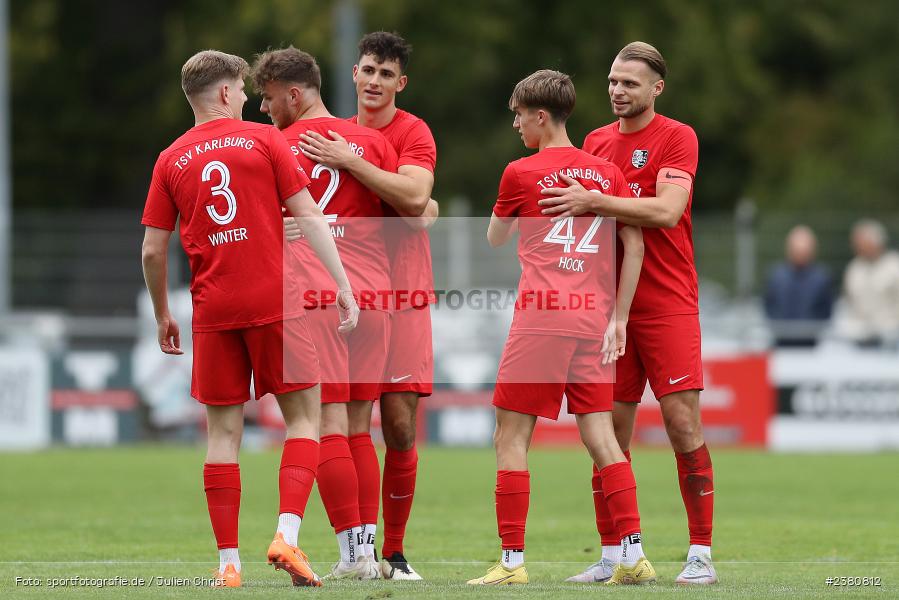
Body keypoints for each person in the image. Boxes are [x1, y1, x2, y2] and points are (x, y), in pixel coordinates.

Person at [141, 50, 358, 588]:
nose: (244, 98)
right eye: (240, 88)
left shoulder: (170, 158)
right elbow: (307, 216)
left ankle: (228, 566)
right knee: (305, 419)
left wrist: (163, 314)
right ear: (221, 94)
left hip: (213, 308)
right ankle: (287, 533)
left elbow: (151, 250)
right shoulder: (265, 142)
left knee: (222, 435)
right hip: (274, 301)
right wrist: (344, 286)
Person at [538, 42, 718, 584]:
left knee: (682, 424)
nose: (618, 91)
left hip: (667, 304)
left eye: (630, 83)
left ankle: (701, 554)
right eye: (613, 81)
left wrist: (596, 202)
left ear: (656, 88)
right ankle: (614, 554)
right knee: (608, 433)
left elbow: (667, 211)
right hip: (605, 309)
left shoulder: (676, 137)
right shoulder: (594, 141)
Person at [467, 69, 652, 586]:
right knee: (600, 435)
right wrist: (619, 316)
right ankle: (633, 555)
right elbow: (633, 246)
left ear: (541, 116)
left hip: (543, 317)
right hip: (593, 318)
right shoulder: (606, 174)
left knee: (510, 436)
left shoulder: (520, 172)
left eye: (519, 116)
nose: (516, 125)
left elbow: (496, 238)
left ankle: (510, 563)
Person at [251, 46, 397, 580]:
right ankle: (366, 548)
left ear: (295, 94)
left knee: (326, 423)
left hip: (317, 294)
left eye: (268, 100)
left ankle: (353, 557)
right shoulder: (373, 142)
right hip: (375, 293)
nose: (265, 111)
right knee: (361, 427)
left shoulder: (272, 145)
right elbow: (411, 207)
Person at [298, 31, 437, 580]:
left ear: (400, 83)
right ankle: (359, 550)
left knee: (397, 424)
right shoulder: (329, 135)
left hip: (400, 293)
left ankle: (396, 554)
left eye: (386, 74)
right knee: (345, 417)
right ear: (353, 75)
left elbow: (415, 199)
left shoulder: (412, 132)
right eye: (368, 70)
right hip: (336, 296)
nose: (375, 81)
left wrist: (350, 161)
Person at [764, 225, 834, 346]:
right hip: (781, 341)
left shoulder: (822, 278)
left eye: (804, 251)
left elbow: (826, 310)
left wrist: (811, 329)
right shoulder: (776, 276)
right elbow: (769, 305)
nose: (800, 255)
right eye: (797, 251)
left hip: (811, 343)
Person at [833, 219, 899, 346]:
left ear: (876, 243)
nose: (856, 247)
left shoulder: (894, 266)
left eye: (861, 242)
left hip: (891, 337)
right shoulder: (854, 268)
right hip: (859, 338)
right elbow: (847, 303)